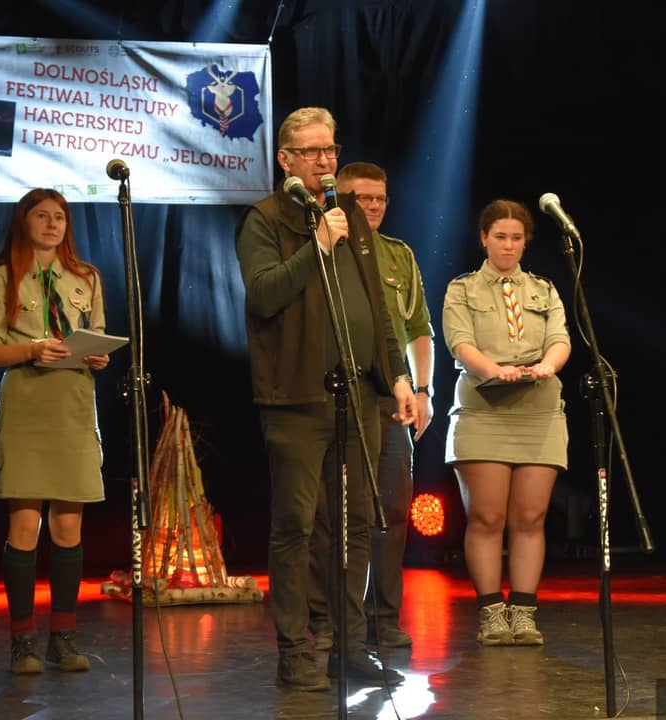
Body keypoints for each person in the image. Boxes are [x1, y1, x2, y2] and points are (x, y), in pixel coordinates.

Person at [234, 107, 416, 691]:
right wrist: (316, 244)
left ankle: (349, 647)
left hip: (359, 394)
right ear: (285, 159)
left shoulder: (350, 217)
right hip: (296, 397)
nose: (324, 161)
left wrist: (398, 375)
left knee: (357, 523)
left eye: (330, 150)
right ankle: (295, 651)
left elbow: (379, 308)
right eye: (312, 152)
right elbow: (264, 295)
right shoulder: (265, 220)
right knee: (296, 526)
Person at [0, 188, 110, 674]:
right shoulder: (3, 276)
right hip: (27, 405)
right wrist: (33, 349)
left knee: (69, 525)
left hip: (74, 404)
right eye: (42, 216)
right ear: (23, 221)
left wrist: (97, 355)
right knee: (25, 524)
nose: (52, 224)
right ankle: (23, 641)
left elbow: (97, 335)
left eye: (60, 217)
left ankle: (64, 638)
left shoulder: (87, 276)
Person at [307, 162, 434, 651]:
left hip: (391, 396)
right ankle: (332, 620)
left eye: (381, 198)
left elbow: (418, 328)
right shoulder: (324, 247)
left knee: (393, 508)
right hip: (337, 394)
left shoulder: (398, 254)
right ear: (341, 199)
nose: (374, 206)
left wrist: (423, 390)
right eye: (363, 198)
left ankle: (384, 616)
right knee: (334, 513)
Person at [441, 199, 571, 646]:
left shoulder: (544, 290)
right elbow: (460, 343)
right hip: (485, 407)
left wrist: (548, 366)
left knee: (530, 516)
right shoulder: (462, 289)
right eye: (500, 237)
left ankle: (524, 613)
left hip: (538, 409)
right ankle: (492, 613)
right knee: (488, 516)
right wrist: (494, 370)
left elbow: (560, 339)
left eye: (516, 238)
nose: (508, 246)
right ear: (484, 238)